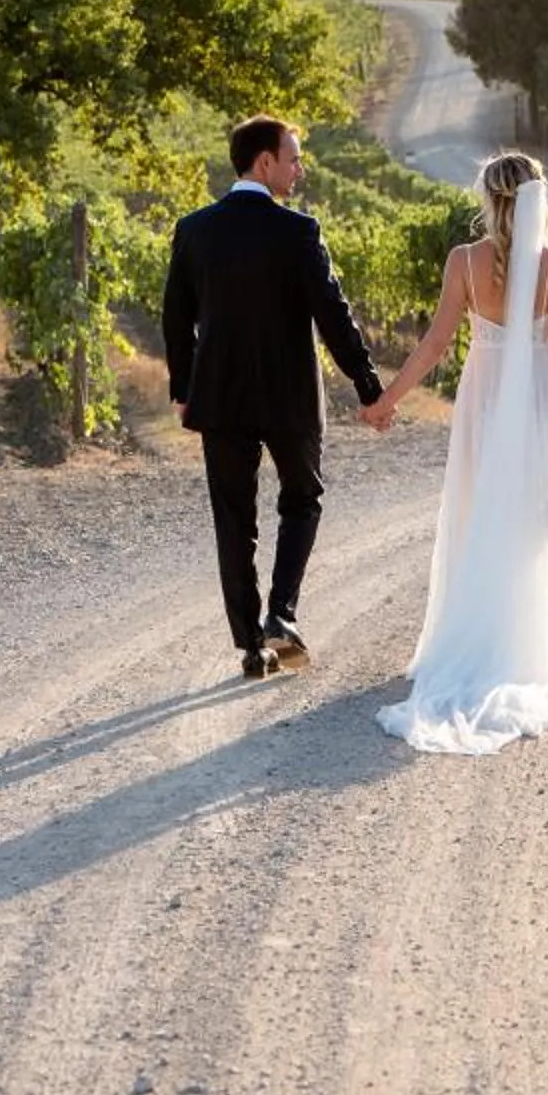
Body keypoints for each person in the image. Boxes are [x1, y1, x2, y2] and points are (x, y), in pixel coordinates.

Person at [369, 152, 548, 755]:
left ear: (487, 198)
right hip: (536, 398)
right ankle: (529, 643)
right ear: (536, 199)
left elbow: (434, 344)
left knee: (481, 508)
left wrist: (386, 399)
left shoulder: (464, 262)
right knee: (534, 514)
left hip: (483, 396)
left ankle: (476, 637)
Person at [160, 116, 387, 680]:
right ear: (264, 162)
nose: (299, 169)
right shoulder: (298, 232)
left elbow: (174, 319)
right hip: (289, 396)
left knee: (233, 519)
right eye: (293, 158)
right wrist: (368, 386)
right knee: (302, 499)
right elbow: (335, 318)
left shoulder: (195, 230)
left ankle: (249, 647)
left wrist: (185, 390)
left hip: (220, 398)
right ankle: (280, 615)